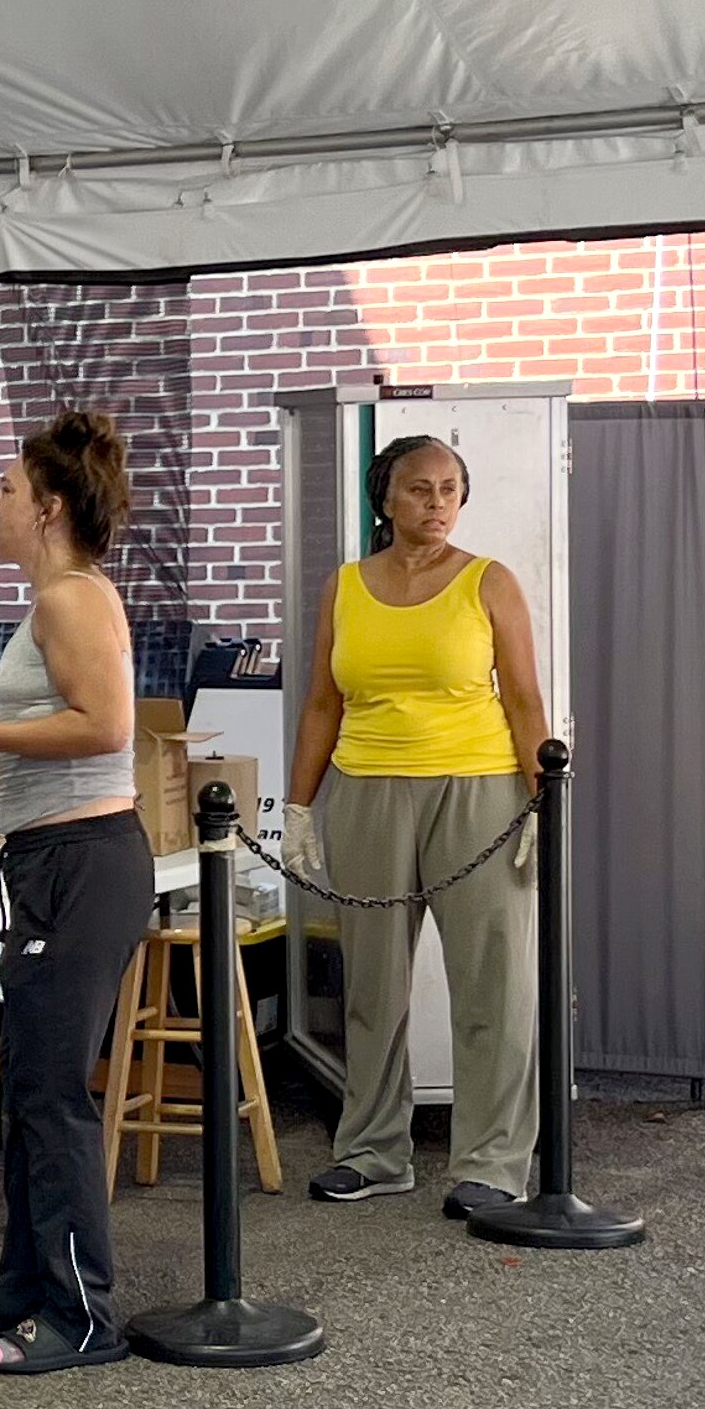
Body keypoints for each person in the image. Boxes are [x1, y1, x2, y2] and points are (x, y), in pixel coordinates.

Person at [0, 409, 154, 1373]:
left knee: (52, 1093)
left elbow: (106, 726)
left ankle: (83, 1316)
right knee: (27, 1082)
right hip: (49, 860)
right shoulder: (52, 600)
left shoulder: (72, 600)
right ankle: (23, 1286)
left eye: (7, 489)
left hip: (83, 860)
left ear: (48, 507)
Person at [282, 432, 550, 1220]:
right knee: (373, 984)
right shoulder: (345, 586)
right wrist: (299, 807)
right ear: (386, 498)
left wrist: (543, 803)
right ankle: (372, 1150)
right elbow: (323, 703)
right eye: (419, 489)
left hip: (479, 791)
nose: (437, 504)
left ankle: (493, 1161)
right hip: (367, 790)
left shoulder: (488, 581)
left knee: (492, 984)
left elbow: (525, 700)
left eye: (449, 490)